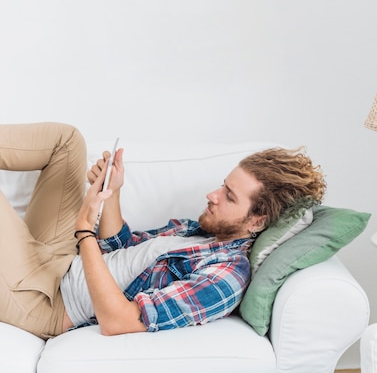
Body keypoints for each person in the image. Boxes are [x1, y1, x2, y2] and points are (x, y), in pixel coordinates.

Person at [0, 122, 325, 339]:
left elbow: (119, 322)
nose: (212, 196)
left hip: (47, 303)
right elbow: (119, 247)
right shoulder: (201, 231)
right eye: (222, 185)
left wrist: (85, 230)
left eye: (229, 196)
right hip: (60, 259)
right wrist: (112, 192)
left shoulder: (225, 278)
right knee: (68, 141)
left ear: (257, 221)